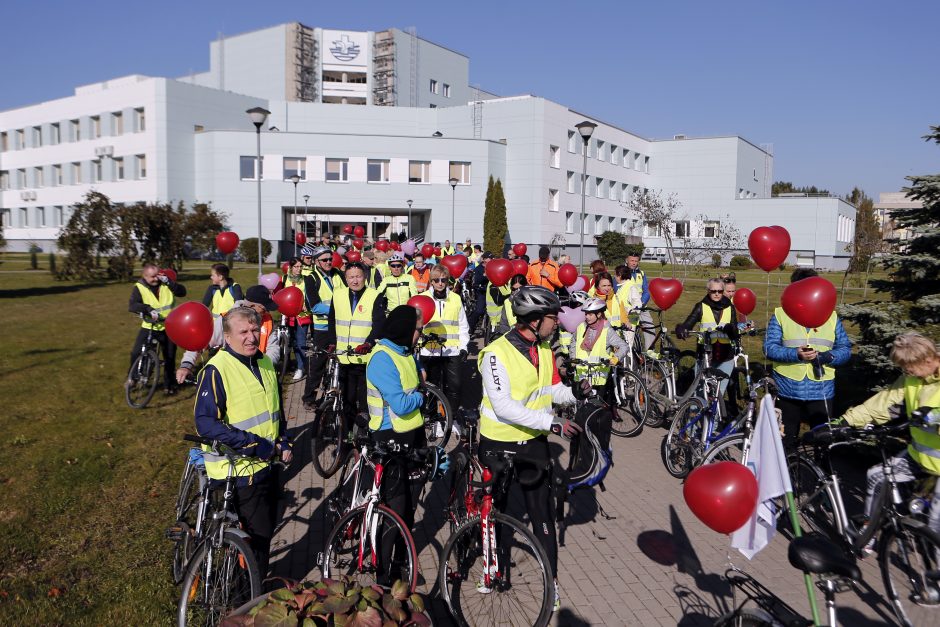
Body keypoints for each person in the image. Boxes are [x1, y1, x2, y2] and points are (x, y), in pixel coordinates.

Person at [477, 285, 589, 611]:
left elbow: (551, 389)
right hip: (499, 443)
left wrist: (575, 394)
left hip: (533, 444)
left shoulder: (544, 350)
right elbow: (503, 406)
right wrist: (553, 424)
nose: (558, 323)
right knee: (495, 513)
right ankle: (491, 570)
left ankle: (550, 582)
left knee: (542, 518)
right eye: (553, 318)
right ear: (534, 319)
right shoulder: (496, 353)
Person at [193, 306, 291, 581]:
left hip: (267, 466)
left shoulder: (265, 364)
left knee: (263, 535)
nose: (250, 337)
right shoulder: (216, 369)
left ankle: (247, 588)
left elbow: (276, 411)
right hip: (236, 472)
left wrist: (284, 440)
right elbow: (206, 424)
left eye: (254, 330)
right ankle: (245, 600)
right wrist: (253, 445)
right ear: (227, 336)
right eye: (243, 332)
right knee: (256, 541)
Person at [365, 305, 448, 582]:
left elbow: (415, 384)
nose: (419, 336)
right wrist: (423, 399)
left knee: (410, 507)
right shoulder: (382, 358)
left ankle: (401, 562)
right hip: (389, 440)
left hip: (413, 436)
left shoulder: (405, 353)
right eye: (418, 330)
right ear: (404, 329)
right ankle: (384, 573)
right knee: (394, 509)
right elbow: (401, 404)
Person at [838, 332, 940, 539]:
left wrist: (935, 416)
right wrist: (843, 422)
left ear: (928, 360)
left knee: (935, 525)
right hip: (920, 456)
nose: (906, 371)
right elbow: (883, 404)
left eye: (908, 366)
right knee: (877, 477)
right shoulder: (911, 379)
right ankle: (868, 533)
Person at [764, 268, 852, 448]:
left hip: (821, 388)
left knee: (824, 440)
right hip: (787, 387)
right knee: (784, 439)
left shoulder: (831, 316)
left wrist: (828, 356)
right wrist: (795, 353)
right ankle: (786, 472)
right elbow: (769, 348)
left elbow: (845, 349)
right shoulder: (781, 314)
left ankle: (821, 473)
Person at [177, 285, 281, 383]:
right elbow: (200, 342)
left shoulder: (268, 321)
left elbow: (273, 348)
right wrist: (186, 365)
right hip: (230, 377)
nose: (267, 312)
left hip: (258, 376)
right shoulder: (227, 320)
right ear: (252, 306)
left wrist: (263, 368)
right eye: (264, 308)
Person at [328, 262, 386, 423]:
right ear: (345, 278)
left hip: (363, 358)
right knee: (347, 399)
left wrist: (369, 343)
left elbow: (380, 324)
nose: (355, 281)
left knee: (363, 399)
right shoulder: (338, 294)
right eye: (351, 277)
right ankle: (346, 437)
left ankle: (364, 433)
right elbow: (332, 320)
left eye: (358, 276)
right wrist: (331, 342)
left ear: (365, 277)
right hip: (343, 357)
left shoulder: (374, 295)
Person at [676, 278, 741, 409]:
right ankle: (692, 426)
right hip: (705, 356)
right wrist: (681, 329)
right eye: (713, 291)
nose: (717, 294)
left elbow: (735, 334)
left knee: (719, 396)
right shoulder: (701, 306)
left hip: (725, 357)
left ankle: (711, 426)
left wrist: (731, 329)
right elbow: (688, 323)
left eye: (720, 291)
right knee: (700, 392)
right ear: (708, 291)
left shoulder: (730, 307)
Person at [419, 265, 470, 422]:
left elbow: (463, 325)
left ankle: (451, 419)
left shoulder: (455, 299)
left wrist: (464, 347)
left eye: (444, 280)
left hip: (451, 350)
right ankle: (435, 420)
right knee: (432, 387)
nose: (440, 283)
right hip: (429, 351)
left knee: (454, 387)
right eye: (436, 280)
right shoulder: (423, 298)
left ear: (448, 281)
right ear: (431, 282)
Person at [127, 263, 187, 395]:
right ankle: (133, 378)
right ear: (145, 276)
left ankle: (169, 384)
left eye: (157, 276)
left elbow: (182, 292)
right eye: (152, 277)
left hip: (169, 326)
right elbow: (132, 305)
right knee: (136, 352)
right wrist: (147, 309)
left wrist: (169, 282)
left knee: (169, 357)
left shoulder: (166, 284)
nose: (155, 279)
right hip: (150, 326)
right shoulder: (139, 287)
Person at [302, 246, 347, 410]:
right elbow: (313, 306)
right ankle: (308, 397)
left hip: (341, 326)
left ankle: (339, 392)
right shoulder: (311, 278)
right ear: (316, 261)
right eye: (324, 260)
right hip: (323, 328)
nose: (329, 262)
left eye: (330, 259)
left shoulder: (338, 274)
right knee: (318, 364)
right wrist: (338, 311)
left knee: (343, 358)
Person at [568, 297, 630, 398]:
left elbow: (623, 346)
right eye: (586, 314)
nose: (587, 317)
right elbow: (574, 341)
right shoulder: (581, 327)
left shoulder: (607, 331)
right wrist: (573, 357)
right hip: (581, 375)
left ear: (599, 314)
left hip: (599, 379)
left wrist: (615, 358)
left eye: (590, 314)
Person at [616, 251, 653, 350]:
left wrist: (641, 304)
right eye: (631, 260)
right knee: (629, 331)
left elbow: (646, 291)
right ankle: (628, 353)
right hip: (629, 309)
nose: (633, 263)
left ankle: (649, 353)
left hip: (640, 305)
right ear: (626, 260)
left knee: (650, 327)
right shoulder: (621, 272)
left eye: (636, 261)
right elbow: (617, 290)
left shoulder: (641, 273)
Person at [283, 259, 312, 381]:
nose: (298, 269)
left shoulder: (306, 279)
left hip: (301, 316)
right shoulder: (285, 279)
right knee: (291, 342)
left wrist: (307, 304)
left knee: (301, 343)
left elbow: (310, 295)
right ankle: (291, 365)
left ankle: (301, 368)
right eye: (296, 266)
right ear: (290, 267)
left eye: (300, 266)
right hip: (288, 316)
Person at [467, 251, 492, 335]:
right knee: (479, 311)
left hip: (492, 291)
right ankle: (470, 327)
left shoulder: (493, 267)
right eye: (489, 258)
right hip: (482, 292)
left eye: (492, 258)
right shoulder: (478, 269)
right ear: (484, 259)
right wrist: (484, 276)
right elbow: (475, 281)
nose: (491, 260)